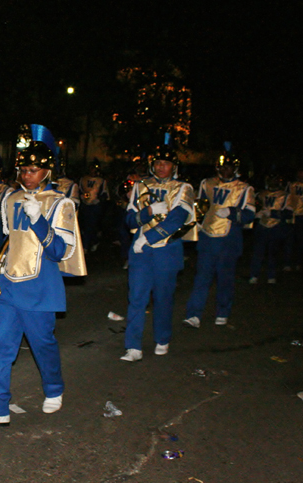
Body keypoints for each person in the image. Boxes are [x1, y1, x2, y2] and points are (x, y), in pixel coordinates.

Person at [0, 124, 86, 427]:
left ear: (47, 171)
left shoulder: (61, 204)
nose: (27, 175)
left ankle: (54, 388)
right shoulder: (10, 199)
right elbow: (12, 238)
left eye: (33, 170)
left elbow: (59, 251)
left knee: (42, 345)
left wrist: (38, 220)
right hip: (9, 284)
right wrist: (0, 258)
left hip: (40, 287)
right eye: (23, 170)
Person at [120, 139, 195, 362]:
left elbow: (177, 219)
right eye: (158, 163)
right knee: (136, 297)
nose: (162, 167)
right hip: (140, 250)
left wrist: (149, 237)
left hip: (167, 250)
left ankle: (162, 338)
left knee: (163, 298)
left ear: (174, 166)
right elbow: (129, 219)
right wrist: (148, 212)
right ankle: (133, 346)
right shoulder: (140, 186)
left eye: (167, 163)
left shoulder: (183, 188)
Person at [183, 144, 255, 328]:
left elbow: (249, 215)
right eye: (222, 167)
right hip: (207, 238)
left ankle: (223, 311)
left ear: (235, 169)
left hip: (228, 239)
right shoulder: (207, 183)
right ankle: (194, 314)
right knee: (202, 277)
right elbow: (199, 206)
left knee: (225, 279)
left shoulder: (244, 189)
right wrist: (197, 222)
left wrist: (232, 212)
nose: (225, 170)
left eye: (228, 167)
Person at [248, 173, 288, 284]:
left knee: (273, 253)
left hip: (276, 226)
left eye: (275, 180)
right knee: (257, 252)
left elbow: (289, 213)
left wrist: (273, 213)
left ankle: (271, 275)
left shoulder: (285, 196)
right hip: (262, 225)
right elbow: (253, 206)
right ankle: (254, 275)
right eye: (270, 180)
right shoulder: (261, 194)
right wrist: (256, 214)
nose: (272, 183)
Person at [78, 159, 109, 253]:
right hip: (85, 205)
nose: (93, 171)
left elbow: (104, 193)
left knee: (91, 225)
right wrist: (82, 197)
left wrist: (99, 200)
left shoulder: (101, 181)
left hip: (95, 206)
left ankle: (86, 245)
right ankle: (92, 241)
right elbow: (79, 190)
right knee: (84, 225)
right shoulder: (83, 179)